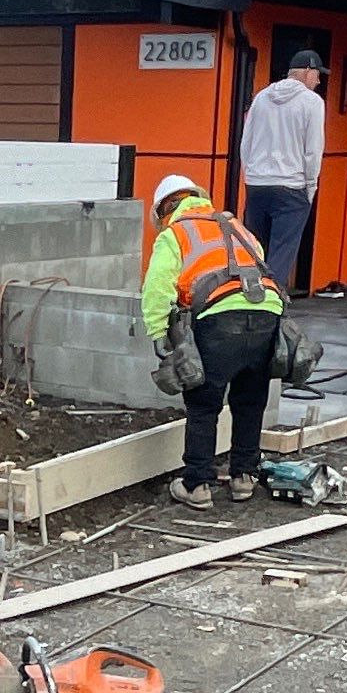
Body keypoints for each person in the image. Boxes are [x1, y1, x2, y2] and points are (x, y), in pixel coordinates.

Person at [141, 170, 286, 509]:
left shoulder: (176, 233)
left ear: (165, 209)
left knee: (204, 404)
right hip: (266, 313)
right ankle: (243, 478)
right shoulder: (236, 227)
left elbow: (157, 288)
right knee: (250, 400)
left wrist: (158, 333)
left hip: (219, 319)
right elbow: (259, 265)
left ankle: (197, 484)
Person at [236, 47, 325, 294]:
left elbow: (247, 141)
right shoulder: (312, 102)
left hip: (257, 184)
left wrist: (250, 176)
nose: (318, 81)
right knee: (282, 253)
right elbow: (313, 150)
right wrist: (310, 187)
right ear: (307, 72)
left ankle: (245, 301)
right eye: (317, 74)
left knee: (253, 249)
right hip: (292, 186)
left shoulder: (261, 97)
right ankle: (271, 307)